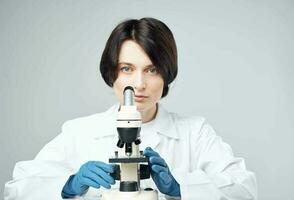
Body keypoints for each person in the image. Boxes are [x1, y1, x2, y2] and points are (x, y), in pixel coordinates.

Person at [4, 17, 257, 200]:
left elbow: (244, 190)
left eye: (152, 69)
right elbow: (16, 190)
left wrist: (180, 188)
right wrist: (69, 185)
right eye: (127, 69)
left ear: (166, 74)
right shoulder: (80, 132)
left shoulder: (195, 132)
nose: (139, 84)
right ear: (111, 72)